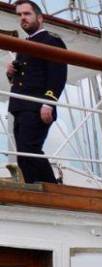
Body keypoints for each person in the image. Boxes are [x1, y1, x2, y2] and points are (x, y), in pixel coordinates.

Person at [5, 1, 66, 185]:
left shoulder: (51, 40)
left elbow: (58, 74)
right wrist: (10, 74)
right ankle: (33, 188)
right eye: (20, 15)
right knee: (23, 155)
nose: (23, 18)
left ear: (39, 17)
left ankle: (52, 190)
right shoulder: (25, 45)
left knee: (30, 148)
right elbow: (25, 77)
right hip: (20, 106)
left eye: (27, 14)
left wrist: (48, 102)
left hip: (37, 105)